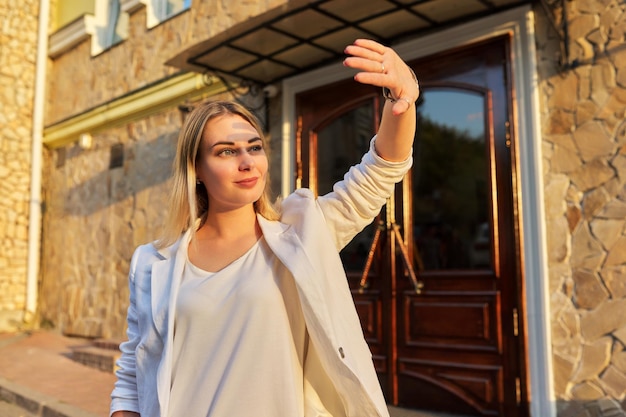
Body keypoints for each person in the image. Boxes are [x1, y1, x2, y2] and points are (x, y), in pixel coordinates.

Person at [110, 38, 419, 417]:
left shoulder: (301, 234)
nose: (246, 161)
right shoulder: (153, 263)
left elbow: (378, 173)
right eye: (226, 151)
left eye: (254, 148)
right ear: (197, 171)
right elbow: (132, 372)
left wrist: (400, 102)